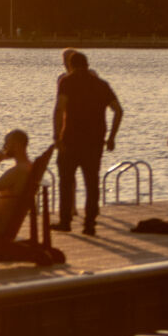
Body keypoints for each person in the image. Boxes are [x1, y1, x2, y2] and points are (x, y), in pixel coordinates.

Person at [53, 49, 122, 236]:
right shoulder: (101, 85)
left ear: (71, 65)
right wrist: (112, 137)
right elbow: (118, 110)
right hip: (95, 142)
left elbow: (60, 108)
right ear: (87, 64)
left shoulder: (66, 82)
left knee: (66, 182)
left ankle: (65, 221)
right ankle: (89, 224)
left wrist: (56, 136)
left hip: (70, 140)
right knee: (92, 183)